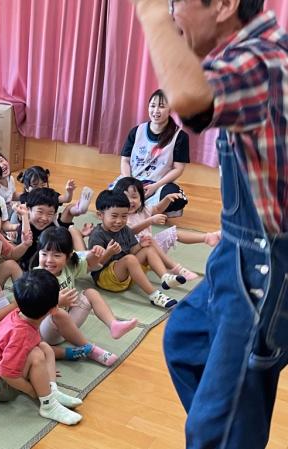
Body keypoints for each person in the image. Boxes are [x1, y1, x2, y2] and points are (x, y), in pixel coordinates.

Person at [131, 0, 287, 447]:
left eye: (177, 4)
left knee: (216, 427)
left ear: (223, 5)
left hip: (263, 265)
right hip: (237, 254)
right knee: (185, 342)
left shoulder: (261, 59)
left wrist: (150, 11)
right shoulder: (255, 52)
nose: (173, 15)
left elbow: (189, 101)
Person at [0, 269, 83, 425]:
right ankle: (48, 404)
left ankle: (51, 390)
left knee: (45, 348)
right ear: (54, 309)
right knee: (36, 355)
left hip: (0, 371)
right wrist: (32, 391)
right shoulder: (21, 333)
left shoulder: (21, 312)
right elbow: (6, 373)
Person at [34, 227, 138, 364]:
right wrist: (56, 302)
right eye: (44, 254)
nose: (49, 260)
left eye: (56, 255)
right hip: (47, 332)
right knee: (58, 313)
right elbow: (31, 312)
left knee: (90, 293)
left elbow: (89, 264)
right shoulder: (37, 277)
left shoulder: (68, 267)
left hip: (68, 327)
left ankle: (113, 325)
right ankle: (90, 350)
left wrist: (95, 253)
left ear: (68, 257)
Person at [88, 190, 184, 309]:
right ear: (100, 215)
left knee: (147, 248)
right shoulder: (97, 235)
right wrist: (109, 252)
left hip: (126, 272)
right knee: (129, 259)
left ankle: (165, 277)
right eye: (114, 216)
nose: (119, 221)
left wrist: (140, 245)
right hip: (106, 279)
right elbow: (93, 266)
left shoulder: (125, 229)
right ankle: (154, 295)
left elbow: (132, 251)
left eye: (124, 216)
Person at [114, 176, 221, 279]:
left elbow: (157, 209)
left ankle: (208, 237)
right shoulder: (120, 217)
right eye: (125, 197)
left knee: (173, 232)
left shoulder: (143, 210)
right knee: (148, 239)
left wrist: (167, 199)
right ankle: (176, 268)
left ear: (141, 197)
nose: (130, 201)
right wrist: (150, 221)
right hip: (136, 255)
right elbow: (129, 232)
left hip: (152, 249)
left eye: (134, 197)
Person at [112, 89, 190, 216]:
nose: (156, 110)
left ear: (170, 110)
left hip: (158, 184)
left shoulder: (180, 136)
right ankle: (147, 209)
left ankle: (137, 207)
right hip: (132, 180)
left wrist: (155, 186)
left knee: (177, 198)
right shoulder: (136, 131)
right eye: (152, 106)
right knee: (108, 198)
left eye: (161, 106)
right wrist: (129, 182)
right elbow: (125, 160)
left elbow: (178, 168)